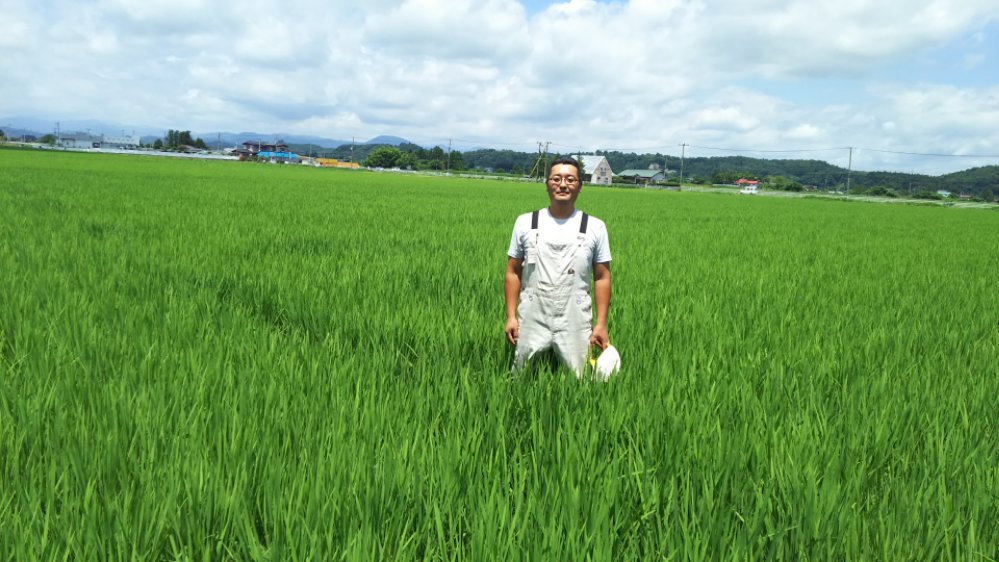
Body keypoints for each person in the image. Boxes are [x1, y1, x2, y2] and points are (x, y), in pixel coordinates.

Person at [504, 156, 612, 375]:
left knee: (582, 380)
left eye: (570, 180)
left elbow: (602, 277)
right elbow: (512, 271)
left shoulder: (595, 227)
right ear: (547, 184)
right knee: (519, 377)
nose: (563, 184)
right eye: (556, 179)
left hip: (576, 318)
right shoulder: (526, 222)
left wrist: (600, 324)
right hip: (532, 315)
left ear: (580, 186)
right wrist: (511, 316)